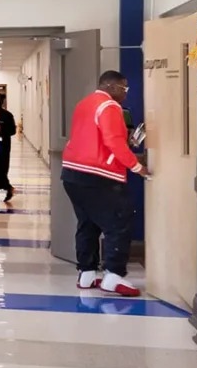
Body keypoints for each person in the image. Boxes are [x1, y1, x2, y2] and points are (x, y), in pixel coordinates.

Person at [61, 68, 142, 297]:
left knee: (87, 223)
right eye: (124, 88)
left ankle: (86, 275)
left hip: (72, 174)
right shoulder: (109, 106)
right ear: (111, 87)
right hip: (99, 175)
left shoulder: (84, 103)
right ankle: (113, 276)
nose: (125, 93)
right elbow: (113, 142)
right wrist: (136, 166)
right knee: (119, 222)